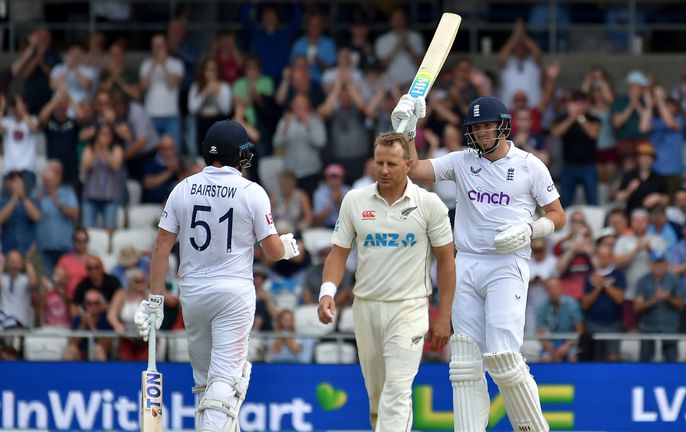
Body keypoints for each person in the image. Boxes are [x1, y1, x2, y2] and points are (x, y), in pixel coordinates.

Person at [392, 94, 565, 431]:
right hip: (466, 264)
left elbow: (558, 215)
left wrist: (531, 230)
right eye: (476, 127)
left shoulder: (530, 165)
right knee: (464, 362)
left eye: (488, 125)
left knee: (503, 358)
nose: (483, 133)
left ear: (502, 125)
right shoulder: (462, 161)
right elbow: (414, 170)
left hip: (507, 265)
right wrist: (409, 130)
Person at [133, 120, 300, 431]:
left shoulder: (182, 188)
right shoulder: (252, 191)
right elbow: (273, 251)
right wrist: (289, 247)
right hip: (233, 296)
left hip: (193, 295)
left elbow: (162, 246)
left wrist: (154, 300)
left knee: (204, 381)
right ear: (236, 155)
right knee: (226, 379)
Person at [316, 132, 455, 431]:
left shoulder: (430, 204)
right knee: (377, 395)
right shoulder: (354, 200)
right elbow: (338, 254)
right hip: (365, 307)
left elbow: (446, 260)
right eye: (379, 162)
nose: (384, 170)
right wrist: (327, 292)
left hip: (410, 308)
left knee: (397, 391)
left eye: (392, 163)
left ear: (408, 164)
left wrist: (444, 315)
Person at [634, 251, 684, 362]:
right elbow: (637, 307)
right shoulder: (642, 281)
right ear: (650, 264)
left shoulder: (674, 280)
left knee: (672, 362)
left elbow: (681, 305)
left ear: (666, 264)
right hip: (648, 329)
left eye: (661, 263)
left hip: (669, 328)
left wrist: (668, 298)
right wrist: (654, 300)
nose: (659, 266)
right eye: (656, 263)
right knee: (645, 362)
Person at [535, 278, 584, 362]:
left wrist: (566, 346)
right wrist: (552, 351)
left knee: (572, 357)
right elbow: (540, 332)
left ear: (561, 288)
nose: (553, 292)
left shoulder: (572, 304)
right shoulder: (542, 307)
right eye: (550, 289)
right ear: (546, 291)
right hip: (551, 342)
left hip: (570, 341)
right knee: (546, 358)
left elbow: (580, 329)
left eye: (555, 288)